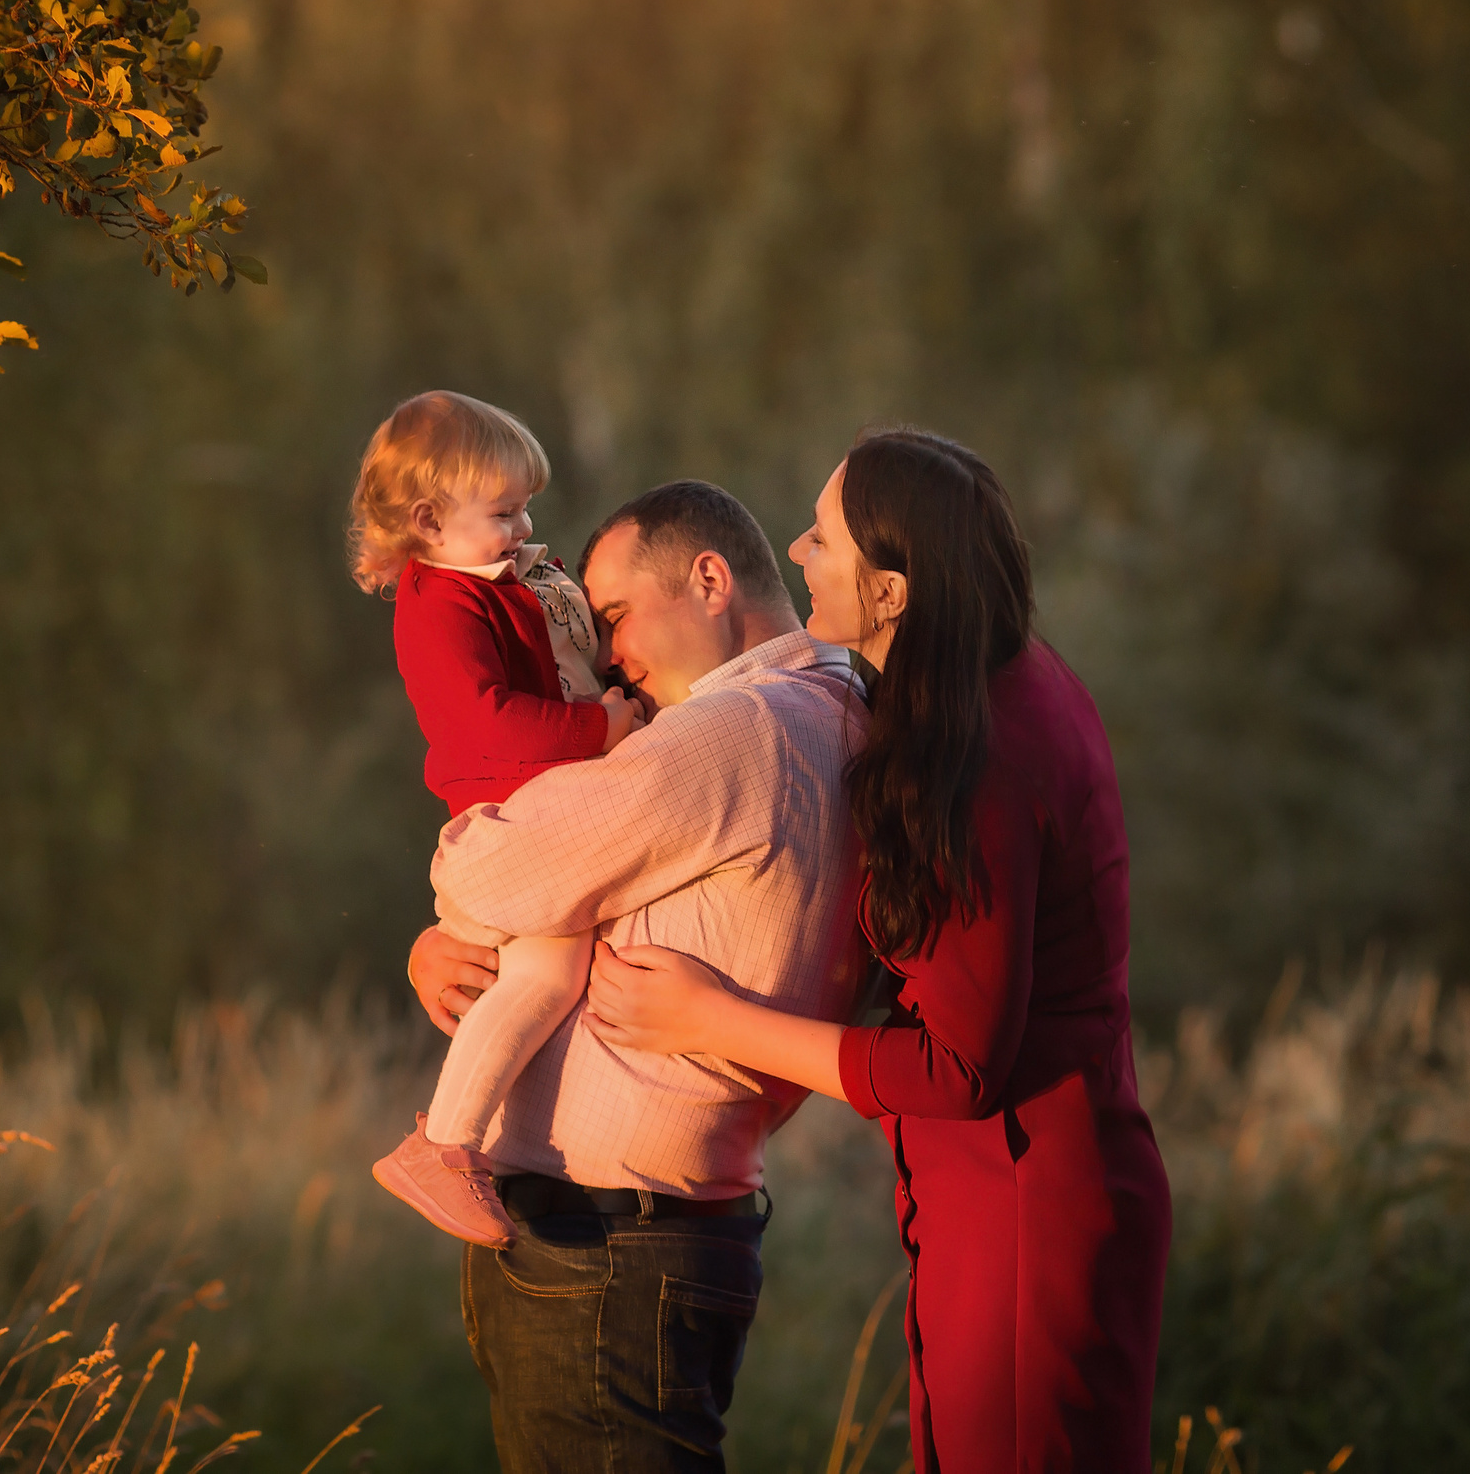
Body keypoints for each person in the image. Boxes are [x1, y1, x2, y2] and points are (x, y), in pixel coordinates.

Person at [587, 430, 1173, 1474]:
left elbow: (957, 1068)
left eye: (824, 535)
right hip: (1001, 1193)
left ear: (892, 591)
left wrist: (709, 1020)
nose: (800, 549)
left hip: (1025, 1206)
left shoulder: (981, 754)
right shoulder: (989, 686)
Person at [405, 480, 865, 1473]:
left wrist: (453, 898)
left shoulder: (736, 729)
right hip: (650, 1240)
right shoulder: (837, 704)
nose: (609, 654)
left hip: (607, 1249)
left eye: (613, 615)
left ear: (708, 579)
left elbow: (492, 867)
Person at [349, 390, 645, 1247]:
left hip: (540, 800)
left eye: (527, 509)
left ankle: (478, 1139)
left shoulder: (493, 582)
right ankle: (442, 1144)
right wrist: (602, 727)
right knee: (548, 973)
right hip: (506, 812)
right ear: (429, 520)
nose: (522, 526)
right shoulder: (439, 604)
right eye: (504, 512)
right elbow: (490, 723)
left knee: (549, 971)